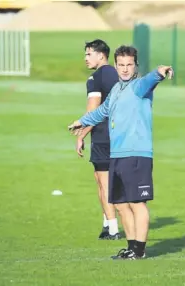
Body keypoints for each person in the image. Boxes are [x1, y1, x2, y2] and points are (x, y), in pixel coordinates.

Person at [68, 45, 173, 260]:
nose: (125, 69)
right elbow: (101, 111)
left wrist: (160, 72)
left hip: (136, 154)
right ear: (115, 66)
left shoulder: (139, 86)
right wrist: (81, 121)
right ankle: (131, 247)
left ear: (136, 66)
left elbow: (151, 79)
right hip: (117, 154)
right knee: (120, 204)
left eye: (129, 65)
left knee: (137, 203)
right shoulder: (116, 90)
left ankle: (140, 250)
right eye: (121, 65)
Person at [79, 39, 120, 240]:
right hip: (119, 134)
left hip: (103, 135)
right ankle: (107, 223)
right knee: (101, 180)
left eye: (89, 54)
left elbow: (92, 110)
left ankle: (113, 229)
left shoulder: (95, 78)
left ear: (100, 55)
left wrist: (81, 135)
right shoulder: (117, 73)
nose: (86, 58)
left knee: (104, 183)